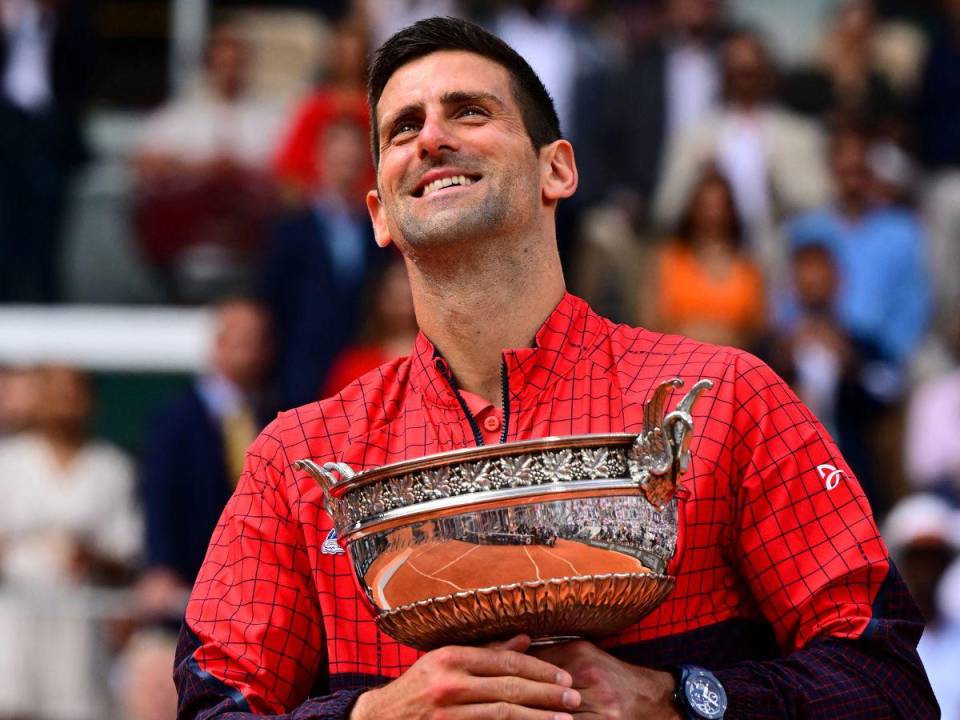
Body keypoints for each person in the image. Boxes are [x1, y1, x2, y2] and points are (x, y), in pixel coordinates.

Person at [175, 17, 937, 719]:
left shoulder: (725, 401)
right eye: (402, 128)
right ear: (378, 211)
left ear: (558, 170)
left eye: (469, 111)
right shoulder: (298, 463)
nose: (431, 138)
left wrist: (682, 698)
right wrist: (374, 713)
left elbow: (889, 685)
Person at [137, 299, 274, 618]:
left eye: (258, 340)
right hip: (190, 575)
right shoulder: (175, 419)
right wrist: (160, 564)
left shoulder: (273, 413)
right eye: (241, 340)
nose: (250, 350)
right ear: (217, 344)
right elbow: (157, 493)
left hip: (254, 575)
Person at [641, 168, 764, 349]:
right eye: (705, 205)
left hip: (732, 365)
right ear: (693, 208)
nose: (712, 214)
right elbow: (649, 320)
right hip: (673, 362)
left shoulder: (748, 266)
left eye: (719, 205)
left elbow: (757, 328)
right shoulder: (667, 259)